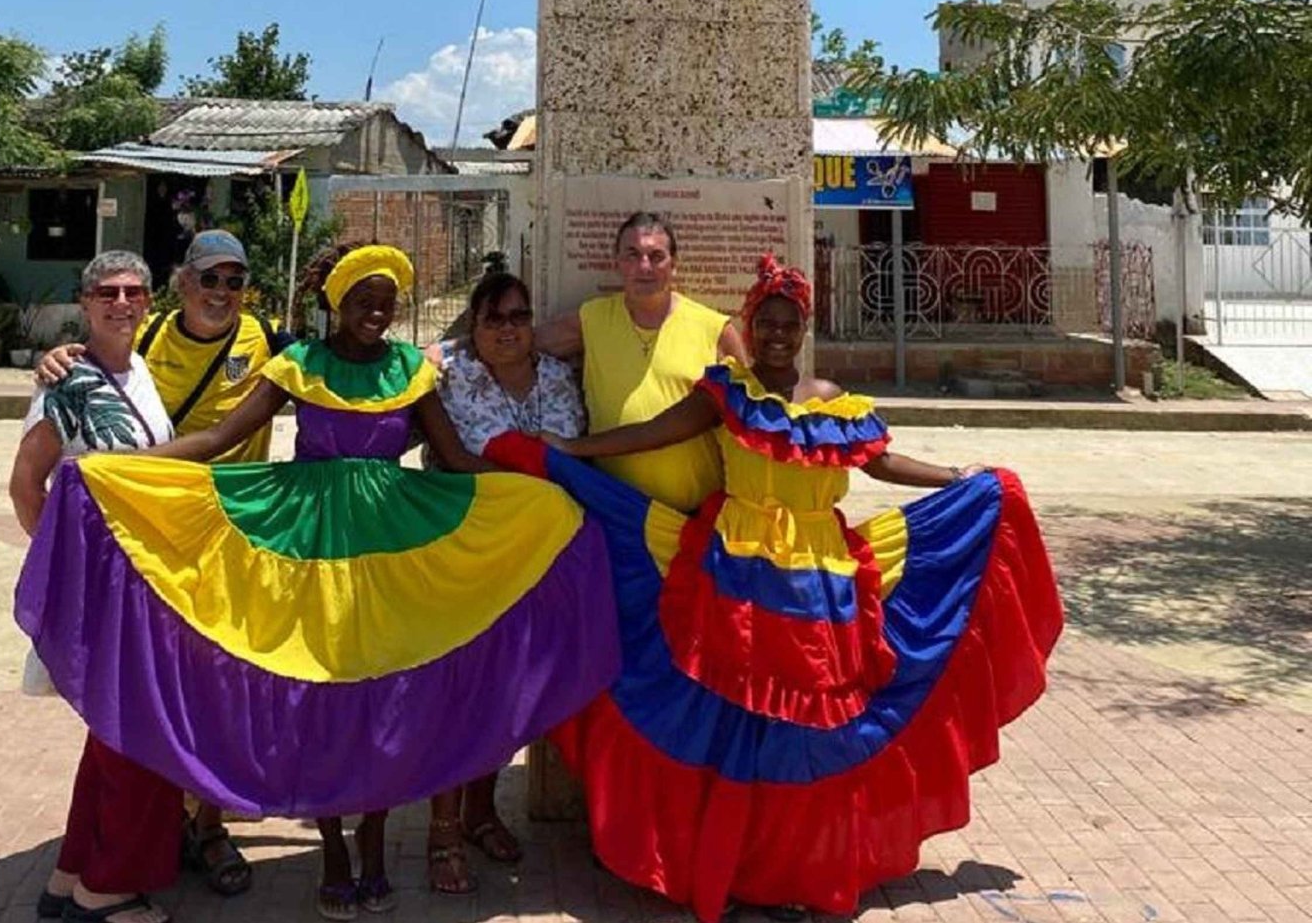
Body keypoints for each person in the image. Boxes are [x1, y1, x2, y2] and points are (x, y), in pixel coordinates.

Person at [13, 245, 621, 923]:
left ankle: (373, 845)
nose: (376, 312)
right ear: (337, 303)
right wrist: (122, 470)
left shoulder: (411, 369)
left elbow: (456, 460)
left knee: (383, 688)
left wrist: (544, 497)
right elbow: (219, 438)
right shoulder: (299, 362)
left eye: (386, 301)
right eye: (363, 299)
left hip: (390, 548)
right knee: (319, 687)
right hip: (305, 548)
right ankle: (333, 850)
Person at [497, 254, 1064, 923]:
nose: (775, 334)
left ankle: (796, 871)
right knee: (736, 726)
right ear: (748, 324)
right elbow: (652, 434)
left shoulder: (829, 398)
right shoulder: (727, 391)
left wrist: (955, 476)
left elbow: (880, 461)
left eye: (788, 323)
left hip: (819, 588)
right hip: (734, 580)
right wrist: (570, 451)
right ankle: (733, 866)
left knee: (807, 732)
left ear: (803, 329)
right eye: (765, 321)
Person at [36, 228, 293, 896]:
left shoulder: (267, 339)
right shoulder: (147, 339)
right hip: (153, 551)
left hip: (233, 545)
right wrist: (56, 355)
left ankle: (207, 824)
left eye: (235, 281)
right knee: (157, 696)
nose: (221, 293)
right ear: (181, 284)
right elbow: (90, 376)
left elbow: (347, 364)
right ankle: (154, 829)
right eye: (209, 279)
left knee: (221, 689)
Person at [9, 251, 179, 923]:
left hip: (142, 584)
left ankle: (72, 872)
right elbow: (27, 486)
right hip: (106, 588)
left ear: (149, 301)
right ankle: (106, 890)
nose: (121, 302)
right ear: (85, 302)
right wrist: (65, 567)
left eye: (134, 291)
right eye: (107, 292)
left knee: (112, 735)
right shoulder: (69, 381)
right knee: (140, 734)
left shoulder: (140, 369)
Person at [419, 271, 587, 892]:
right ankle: (442, 831)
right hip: (461, 554)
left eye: (519, 316)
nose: (508, 329)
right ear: (474, 326)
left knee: (506, 689)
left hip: (529, 557)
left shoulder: (557, 376)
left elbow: (572, 458)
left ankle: (481, 812)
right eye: (493, 319)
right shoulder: (448, 372)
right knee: (458, 689)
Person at [535, 210, 749, 514]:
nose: (644, 267)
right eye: (632, 255)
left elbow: (747, 424)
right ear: (617, 262)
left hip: (696, 516)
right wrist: (459, 343)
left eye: (656, 256)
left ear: (674, 263)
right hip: (614, 513)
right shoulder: (592, 319)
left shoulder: (715, 330)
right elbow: (516, 344)